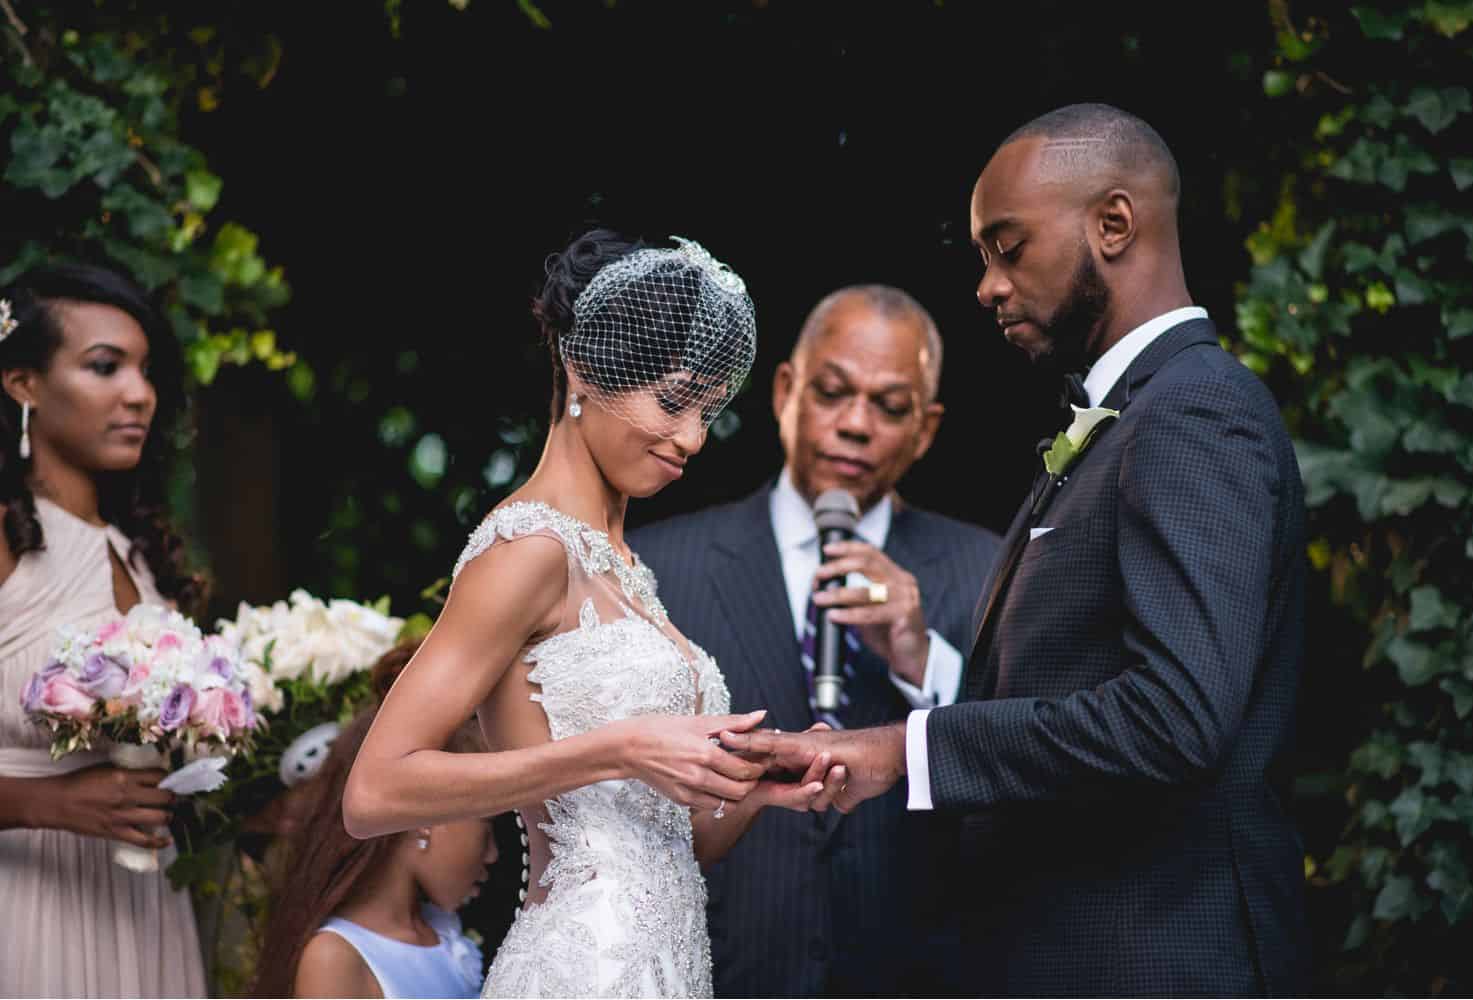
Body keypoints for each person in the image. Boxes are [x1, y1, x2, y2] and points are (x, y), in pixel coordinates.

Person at [723, 103, 1308, 994]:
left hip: (1151, 964)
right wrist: (925, 672)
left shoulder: (1191, 410)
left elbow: (1177, 717)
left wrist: (904, 749)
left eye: (1008, 248)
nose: (987, 287)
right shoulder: (1125, 419)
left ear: (1114, 223)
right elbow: (1072, 693)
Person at [342, 230, 835, 998]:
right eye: (672, 401)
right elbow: (374, 793)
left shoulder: (628, 570)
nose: (692, 438)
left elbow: (662, 851)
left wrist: (753, 788)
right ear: (583, 367)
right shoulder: (528, 548)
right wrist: (621, 748)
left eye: (708, 411)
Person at [629, 285, 1000, 996]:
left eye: (890, 406)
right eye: (832, 393)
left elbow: (1023, 767)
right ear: (784, 392)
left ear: (925, 430)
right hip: (725, 970)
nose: (855, 425)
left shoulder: (987, 570)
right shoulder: (661, 566)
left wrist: (923, 660)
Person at [0, 264, 207, 996]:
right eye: (104, 366)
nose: (139, 393)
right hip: (29, 901)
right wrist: (46, 803)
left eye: (146, 371)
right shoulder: (5, 541)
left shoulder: (141, 555)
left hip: (144, 903)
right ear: (24, 384)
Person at [253, 659, 497, 999]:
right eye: (487, 826)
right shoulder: (335, 959)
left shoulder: (445, 935)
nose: (493, 854)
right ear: (426, 819)